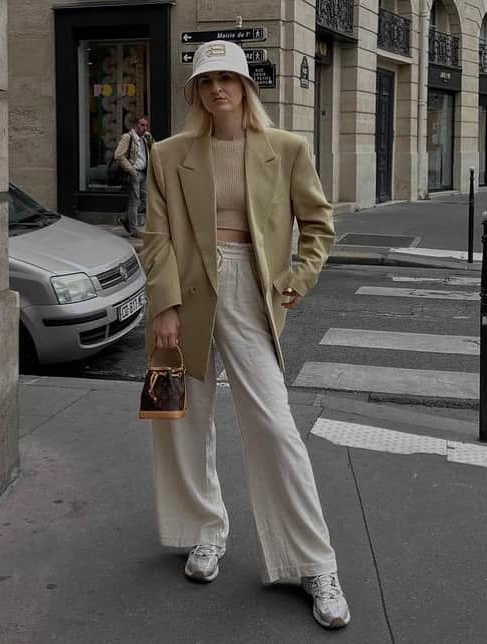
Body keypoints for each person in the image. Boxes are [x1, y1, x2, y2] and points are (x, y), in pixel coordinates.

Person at [140, 40, 350, 630]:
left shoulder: (286, 149)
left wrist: (299, 277)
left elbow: (318, 223)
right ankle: (202, 531)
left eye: (227, 78)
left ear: (245, 86)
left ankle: (314, 562)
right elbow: (156, 237)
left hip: (250, 293)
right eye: (206, 82)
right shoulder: (168, 154)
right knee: (178, 418)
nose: (217, 90)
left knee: (275, 426)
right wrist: (163, 306)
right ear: (196, 93)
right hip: (181, 294)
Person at [114, 115, 153, 237]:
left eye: (146, 125)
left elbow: (155, 149)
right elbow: (118, 155)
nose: (144, 128)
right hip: (134, 173)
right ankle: (134, 230)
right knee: (134, 201)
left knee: (146, 201)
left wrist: (150, 140)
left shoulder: (145, 139)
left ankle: (125, 218)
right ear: (136, 125)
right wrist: (131, 170)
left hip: (143, 173)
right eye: (142, 125)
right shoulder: (127, 137)